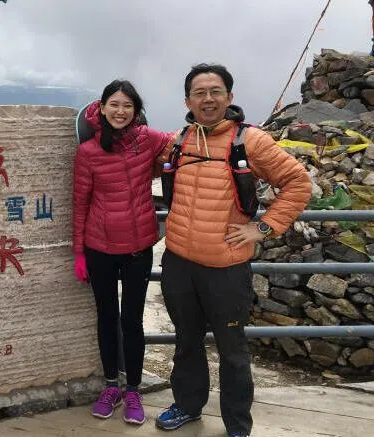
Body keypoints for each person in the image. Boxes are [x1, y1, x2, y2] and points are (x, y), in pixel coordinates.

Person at [155, 64, 311, 437]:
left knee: (233, 350)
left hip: (226, 268)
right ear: (187, 100)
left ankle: (237, 424)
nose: (207, 99)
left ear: (229, 96)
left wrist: (261, 228)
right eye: (199, 92)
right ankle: (188, 406)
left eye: (215, 91)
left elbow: (298, 183)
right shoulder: (179, 140)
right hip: (178, 262)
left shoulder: (250, 142)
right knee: (186, 342)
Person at [72, 79, 173, 425]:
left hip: (137, 247)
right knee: (106, 317)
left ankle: (133, 389)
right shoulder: (88, 152)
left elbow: (180, 145)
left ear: (136, 110)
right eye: (114, 104)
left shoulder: (148, 140)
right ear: (101, 108)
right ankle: (111, 386)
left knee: (131, 320)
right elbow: (80, 203)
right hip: (99, 248)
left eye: (127, 105)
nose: (120, 111)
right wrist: (79, 254)